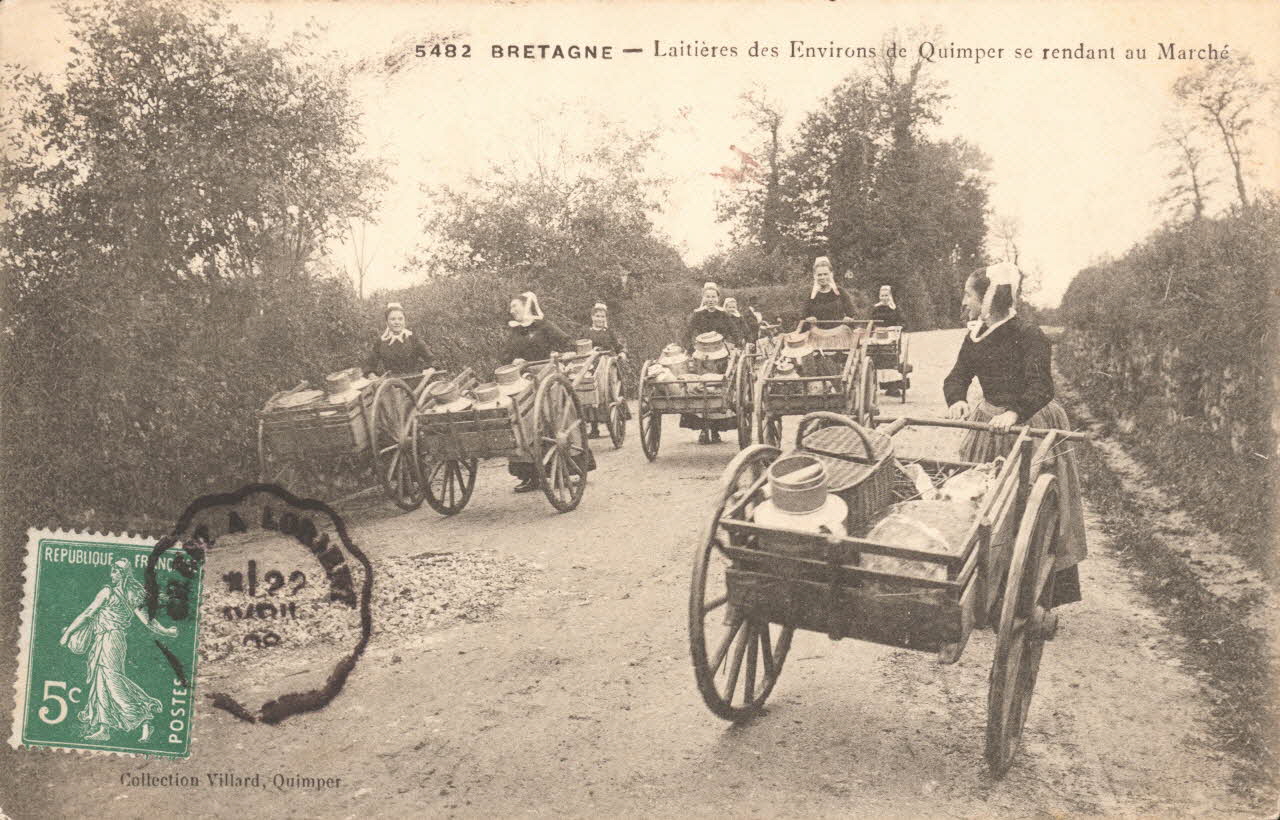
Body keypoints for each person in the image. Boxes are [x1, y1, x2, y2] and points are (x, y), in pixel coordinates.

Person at [942, 262, 1087, 607]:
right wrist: (957, 399)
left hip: (1030, 421)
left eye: (968, 294)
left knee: (1029, 504)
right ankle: (985, 585)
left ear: (988, 299)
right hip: (991, 423)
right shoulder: (976, 335)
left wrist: (1014, 412)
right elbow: (957, 376)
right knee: (982, 501)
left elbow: (1042, 386)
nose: (964, 300)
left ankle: (1033, 593)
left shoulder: (1028, 334)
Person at [59, 558, 176, 742]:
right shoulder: (129, 594)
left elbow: (88, 613)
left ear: (122, 574)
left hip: (111, 640)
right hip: (105, 640)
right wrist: (166, 631)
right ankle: (104, 728)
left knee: (113, 681)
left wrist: (67, 634)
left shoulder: (110, 592)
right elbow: (148, 620)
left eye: (114, 571)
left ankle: (145, 718)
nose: (111, 574)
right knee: (101, 682)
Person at [584, 302, 628, 439]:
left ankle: (615, 426)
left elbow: (618, 346)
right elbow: (580, 347)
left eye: (602, 316)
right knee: (590, 389)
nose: (600, 319)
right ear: (592, 317)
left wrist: (622, 353)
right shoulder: (586, 332)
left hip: (607, 366)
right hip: (591, 364)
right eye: (597, 316)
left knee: (608, 392)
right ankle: (594, 428)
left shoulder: (609, 332)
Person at [502, 291, 574, 364]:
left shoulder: (544, 325)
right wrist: (514, 361)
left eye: (514, 306)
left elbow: (568, 343)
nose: (511, 311)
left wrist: (569, 353)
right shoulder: (515, 330)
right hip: (526, 370)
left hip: (548, 368)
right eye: (511, 308)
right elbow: (505, 356)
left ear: (527, 306)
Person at [364, 302, 433, 376]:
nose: (397, 322)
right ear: (387, 322)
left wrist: (431, 368)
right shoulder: (381, 342)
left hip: (414, 380)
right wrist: (371, 374)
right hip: (391, 381)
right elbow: (370, 365)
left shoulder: (413, 339)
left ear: (404, 321)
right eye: (393, 319)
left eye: (400, 319)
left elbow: (432, 359)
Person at [803, 256, 857, 324]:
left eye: (825, 274)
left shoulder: (840, 292)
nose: (822, 277)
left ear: (831, 274)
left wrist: (849, 319)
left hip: (840, 329)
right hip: (817, 330)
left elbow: (852, 314)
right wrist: (808, 319)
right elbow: (803, 316)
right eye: (819, 275)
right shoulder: (811, 295)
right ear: (815, 276)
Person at [683, 282, 737, 350]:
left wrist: (732, 344)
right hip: (703, 348)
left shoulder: (723, 313)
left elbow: (734, 331)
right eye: (707, 297)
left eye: (713, 297)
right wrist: (691, 349)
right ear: (703, 298)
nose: (711, 300)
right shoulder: (698, 314)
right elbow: (687, 334)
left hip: (720, 348)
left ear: (718, 298)